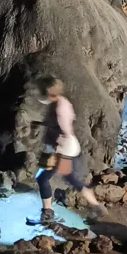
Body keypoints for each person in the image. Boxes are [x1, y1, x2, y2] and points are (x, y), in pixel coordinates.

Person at [33, 76, 107, 224]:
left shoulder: (60, 108)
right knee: (71, 179)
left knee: (43, 178)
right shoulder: (61, 102)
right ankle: (97, 207)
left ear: (48, 93)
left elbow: (65, 130)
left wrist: (54, 148)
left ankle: (47, 213)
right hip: (65, 148)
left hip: (63, 150)